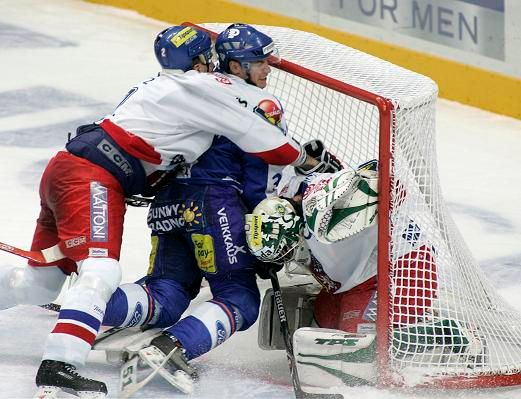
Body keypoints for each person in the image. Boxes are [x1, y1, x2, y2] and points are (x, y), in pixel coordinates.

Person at [0, 24, 321, 398]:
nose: (266, 68)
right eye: (258, 61)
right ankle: (62, 367)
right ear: (210, 64)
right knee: (114, 272)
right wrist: (307, 161)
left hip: (103, 179)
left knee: (47, 283)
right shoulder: (210, 90)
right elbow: (270, 156)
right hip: (110, 180)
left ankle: (83, 318)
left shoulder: (156, 85)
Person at [99, 23, 342, 395]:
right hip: (216, 207)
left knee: (167, 292)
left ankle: (89, 305)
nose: (267, 69)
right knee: (239, 296)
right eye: (257, 61)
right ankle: (170, 348)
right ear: (234, 66)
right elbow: (261, 176)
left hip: (169, 204)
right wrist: (264, 236)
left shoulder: (194, 89)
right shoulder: (260, 103)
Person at [246, 163, 484, 389]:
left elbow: (393, 186)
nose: (286, 258)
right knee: (324, 329)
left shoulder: (319, 212)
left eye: (285, 251)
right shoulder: (291, 201)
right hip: (360, 281)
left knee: (363, 343)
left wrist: (368, 192)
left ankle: (448, 332)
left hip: (403, 268)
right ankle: (409, 319)